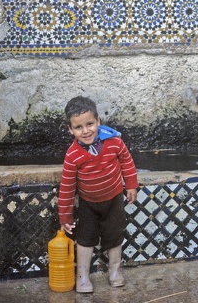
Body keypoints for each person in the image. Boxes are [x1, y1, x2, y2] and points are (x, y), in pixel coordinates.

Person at [58, 96, 138, 293]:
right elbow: (67, 186)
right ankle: (83, 277)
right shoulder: (73, 155)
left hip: (113, 199)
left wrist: (131, 185)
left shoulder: (114, 142)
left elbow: (127, 162)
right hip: (88, 204)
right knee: (85, 239)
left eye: (90, 124)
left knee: (114, 234)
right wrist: (65, 217)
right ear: (70, 130)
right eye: (78, 127)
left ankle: (115, 271)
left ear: (98, 121)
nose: (85, 131)